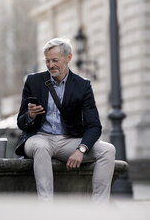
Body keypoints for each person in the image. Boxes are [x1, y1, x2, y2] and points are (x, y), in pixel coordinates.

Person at [16, 37, 115, 203]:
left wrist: (81, 149)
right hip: (39, 138)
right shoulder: (33, 81)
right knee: (41, 147)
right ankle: (47, 208)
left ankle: (99, 209)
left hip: (68, 141)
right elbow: (21, 122)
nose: (50, 65)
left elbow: (95, 126)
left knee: (108, 150)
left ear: (68, 58)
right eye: (47, 61)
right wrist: (30, 115)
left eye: (55, 60)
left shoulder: (83, 86)